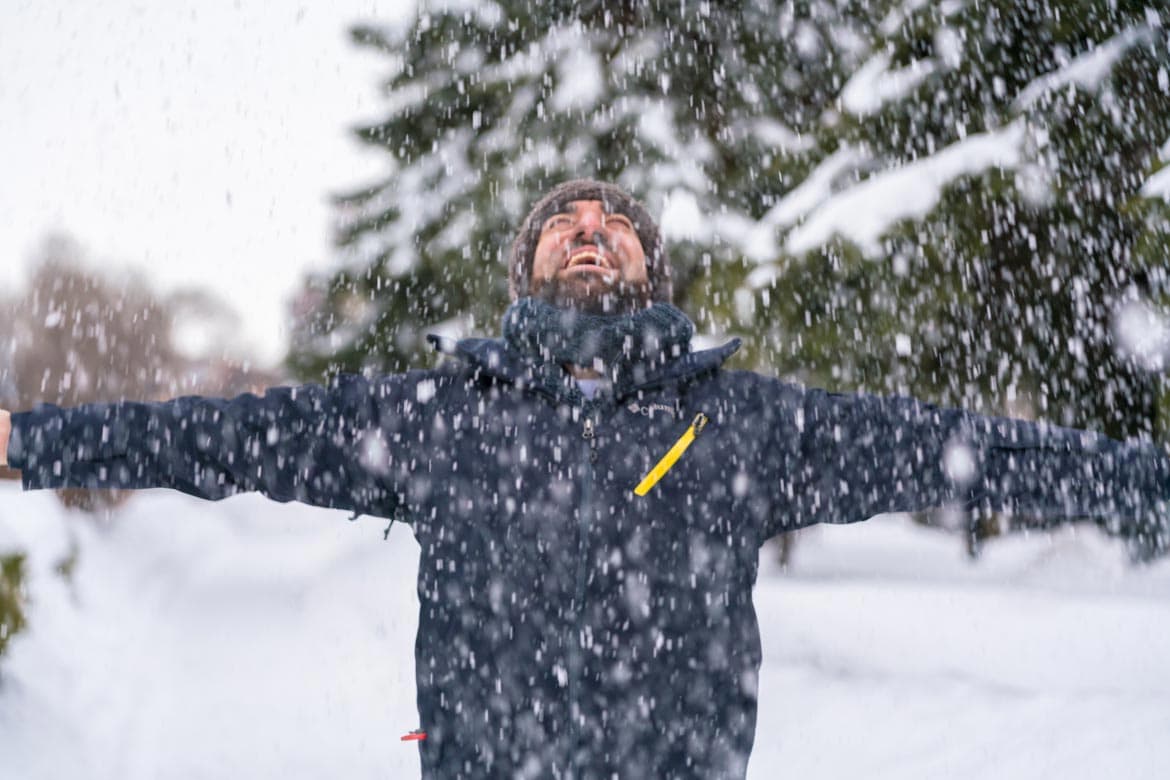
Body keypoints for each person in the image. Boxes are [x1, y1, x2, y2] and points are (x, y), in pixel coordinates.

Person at [1, 179, 1167, 779]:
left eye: (616, 224)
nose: (592, 229)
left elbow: (970, 452)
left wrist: (1146, 480)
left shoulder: (743, 425)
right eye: (566, 222)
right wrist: (32, 442)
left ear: (652, 269)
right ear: (529, 264)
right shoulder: (436, 418)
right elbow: (220, 438)